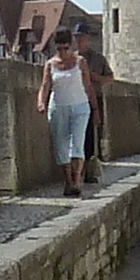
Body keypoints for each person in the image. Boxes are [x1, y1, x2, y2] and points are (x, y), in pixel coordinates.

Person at [43, 34, 95, 197]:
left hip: (80, 106)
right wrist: (40, 102)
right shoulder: (50, 64)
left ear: (71, 46)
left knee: (77, 143)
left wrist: (96, 109)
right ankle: (68, 182)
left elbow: (88, 86)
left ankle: (77, 180)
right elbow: (45, 85)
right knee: (61, 145)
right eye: (59, 49)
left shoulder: (80, 62)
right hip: (58, 107)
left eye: (66, 48)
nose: (63, 52)